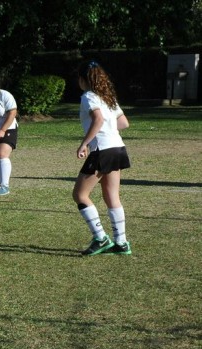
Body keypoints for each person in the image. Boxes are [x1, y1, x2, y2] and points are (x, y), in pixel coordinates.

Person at [73, 60, 132, 256]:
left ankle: (101, 238)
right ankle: (121, 243)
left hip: (103, 150)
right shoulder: (108, 98)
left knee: (80, 195)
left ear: (83, 80)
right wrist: (108, 129)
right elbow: (123, 123)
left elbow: (98, 119)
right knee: (111, 196)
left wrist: (84, 143)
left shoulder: (88, 96)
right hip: (117, 148)